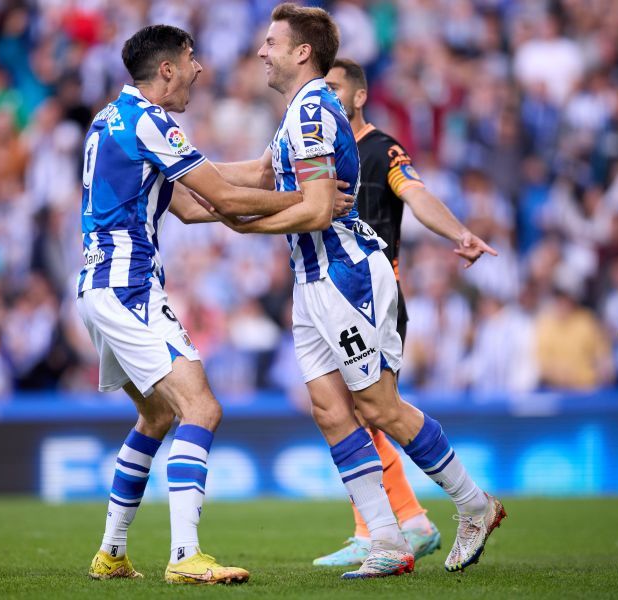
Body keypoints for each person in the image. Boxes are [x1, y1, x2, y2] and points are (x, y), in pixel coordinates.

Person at [209, 3, 505, 578]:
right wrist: (182, 171)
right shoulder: (296, 113)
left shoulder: (316, 110)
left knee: (377, 406)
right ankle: (388, 541)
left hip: (347, 275)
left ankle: (474, 505)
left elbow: (318, 211)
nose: (261, 51)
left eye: (272, 42)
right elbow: (262, 175)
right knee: (329, 410)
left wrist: (240, 222)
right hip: (310, 281)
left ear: (302, 52)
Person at [78, 24, 351, 584]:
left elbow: (194, 207)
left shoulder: (112, 119)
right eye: (191, 58)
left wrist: (264, 190)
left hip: (98, 287)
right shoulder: (151, 122)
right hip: (128, 289)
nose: (200, 69)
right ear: (168, 71)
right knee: (201, 408)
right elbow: (221, 197)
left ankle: (111, 551)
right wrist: (311, 197)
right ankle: (184, 557)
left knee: (156, 415)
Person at [308, 57, 498, 568]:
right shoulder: (317, 149)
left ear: (360, 95)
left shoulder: (381, 149)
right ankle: (395, 526)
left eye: (334, 87)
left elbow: (414, 193)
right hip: (328, 296)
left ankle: (414, 521)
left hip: (374, 295)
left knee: (373, 410)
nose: (324, 95)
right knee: (344, 412)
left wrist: (458, 232)